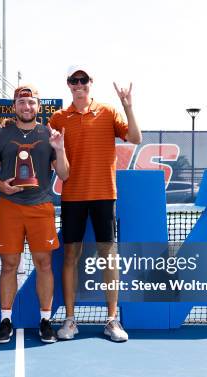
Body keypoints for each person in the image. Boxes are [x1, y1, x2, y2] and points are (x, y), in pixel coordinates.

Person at [48, 65, 142, 342]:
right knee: (70, 258)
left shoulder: (109, 112)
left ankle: (112, 320)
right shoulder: (58, 118)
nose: (79, 84)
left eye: (83, 80)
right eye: (73, 80)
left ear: (91, 82)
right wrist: (60, 148)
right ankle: (69, 320)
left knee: (108, 256)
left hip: (104, 194)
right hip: (72, 197)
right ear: (68, 84)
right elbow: (62, 173)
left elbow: (136, 138)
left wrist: (128, 107)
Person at [0, 84, 69, 344]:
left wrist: (60, 148)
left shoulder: (49, 134)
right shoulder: (1, 135)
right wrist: (0, 185)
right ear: (15, 106)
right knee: (9, 265)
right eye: (22, 103)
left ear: (38, 106)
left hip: (40, 207)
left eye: (31, 103)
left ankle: (45, 320)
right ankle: (5, 320)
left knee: (43, 264)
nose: (27, 107)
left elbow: (65, 174)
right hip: (9, 208)